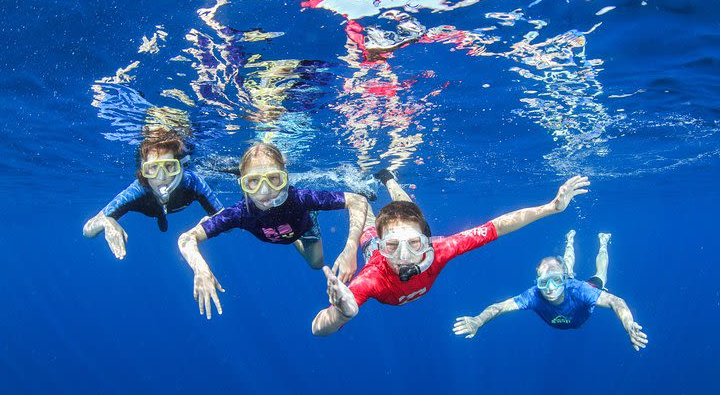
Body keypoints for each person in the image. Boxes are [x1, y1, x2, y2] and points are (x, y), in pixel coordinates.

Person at [312, 171, 590, 336]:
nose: (406, 255)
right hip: (374, 247)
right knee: (368, 227)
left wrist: (551, 208)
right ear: (384, 248)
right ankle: (360, 197)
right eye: (393, 247)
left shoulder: (442, 249)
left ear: (427, 241)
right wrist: (342, 314)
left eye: (415, 244)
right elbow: (318, 328)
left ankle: (389, 179)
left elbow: (498, 226)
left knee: (409, 209)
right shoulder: (371, 278)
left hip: (419, 237)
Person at [178, 142, 368, 319]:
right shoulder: (240, 213)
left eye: (274, 179)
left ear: (284, 178)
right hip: (281, 234)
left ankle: (304, 227)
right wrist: (200, 269)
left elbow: (358, 200)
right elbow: (187, 238)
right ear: (243, 184)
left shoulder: (301, 199)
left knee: (317, 263)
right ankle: (291, 239)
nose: (265, 191)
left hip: (303, 228)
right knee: (312, 260)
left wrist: (351, 249)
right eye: (253, 182)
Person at [453, 231, 648, 351]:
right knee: (568, 269)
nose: (551, 289)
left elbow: (617, 302)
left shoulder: (581, 291)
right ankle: (569, 242)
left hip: (577, 286)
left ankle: (603, 242)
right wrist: (477, 320)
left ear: (562, 281)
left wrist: (629, 325)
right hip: (568, 280)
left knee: (600, 275)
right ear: (537, 282)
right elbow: (498, 308)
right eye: (544, 282)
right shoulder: (534, 296)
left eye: (556, 281)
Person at [83, 130, 224, 259]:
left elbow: (226, 219)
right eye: (153, 168)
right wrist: (106, 221)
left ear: (180, 167)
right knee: (160, 217)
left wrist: (209, 227)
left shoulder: (192, 182)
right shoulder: (138, 190)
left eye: (169, 166)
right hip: (152, 209)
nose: (161, 177)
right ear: (143, 171)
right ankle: (161, 217)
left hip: (163, 208)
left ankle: (162, 218)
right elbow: (87, 230)